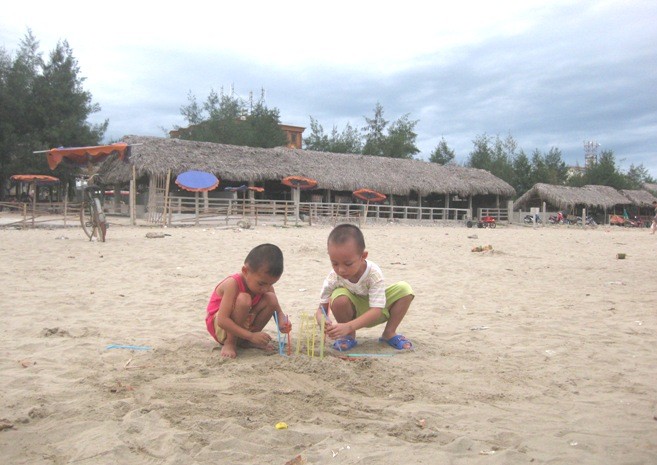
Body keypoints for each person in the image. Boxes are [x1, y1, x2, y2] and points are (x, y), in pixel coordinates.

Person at [315, 224, 414, 351]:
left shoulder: (373, 273)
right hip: (351, 311)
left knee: (405, 289)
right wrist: (322, 320)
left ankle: (389, 333)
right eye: (334, 263)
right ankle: (347, 337)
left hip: (377, 310)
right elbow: (320, 310)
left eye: (348, 264)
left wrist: (348, 326)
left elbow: (376, 310)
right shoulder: (333, 278)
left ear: (363, 256)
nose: (341, 269)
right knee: (338, 296)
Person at [206, 243, 290, 358]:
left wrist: (282, 323)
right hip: (221, 329)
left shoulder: (266, 286)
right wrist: (251, 335)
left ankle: (245, 341)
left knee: (271, 298)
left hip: (243, 326)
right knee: (244, 299)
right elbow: (222, 320)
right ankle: (230, 343)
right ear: (245, 271)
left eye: (271, 284)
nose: (265, 288)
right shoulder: (232, 284)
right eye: (261, 283)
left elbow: (278, 311)